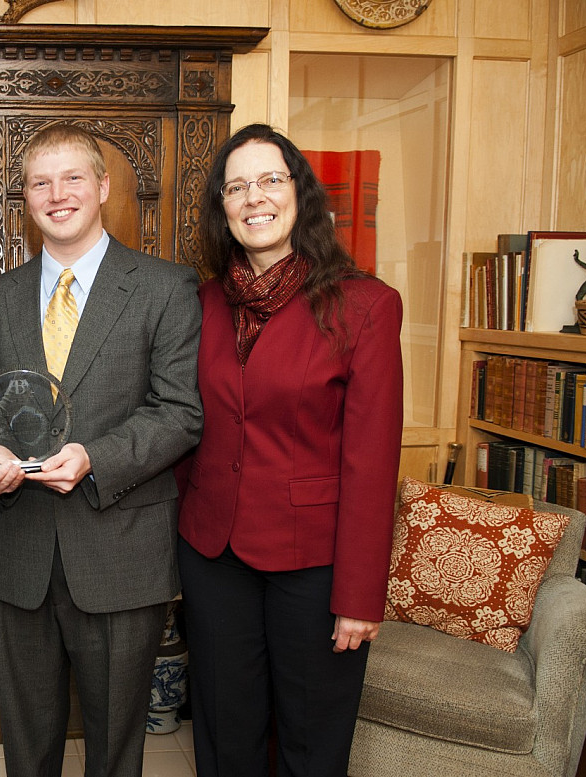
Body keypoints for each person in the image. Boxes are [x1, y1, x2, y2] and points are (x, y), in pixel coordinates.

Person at [0, 123, 203, 777]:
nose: (57, 193)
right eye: (41, 182)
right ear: (25, 199)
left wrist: (95, 455)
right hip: (20, 554)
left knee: (114, 748)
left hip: (120, 553)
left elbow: (180, 413)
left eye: (72, 178)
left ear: (102, 187)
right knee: (26, 745)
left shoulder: (165, 288)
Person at [177, 122, 404, 776]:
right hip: (213, 556)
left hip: (316, 564)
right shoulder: (202, 305)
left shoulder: (365, 305)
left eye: (271, 180)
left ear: (300, 194)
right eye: (237, 186)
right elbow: (188, 430)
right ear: (222, 208)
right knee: (225, 736)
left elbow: (371, 461)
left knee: (310, 743)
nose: (255, 197)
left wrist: (360, 594)